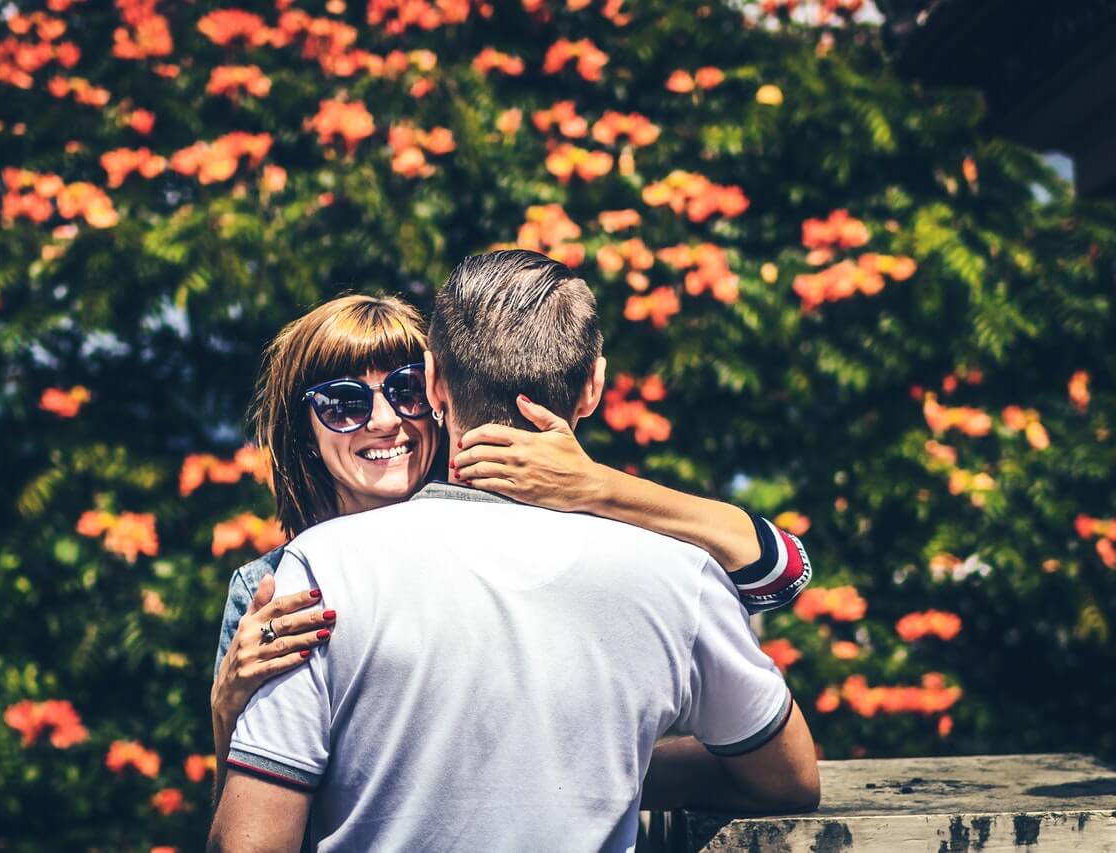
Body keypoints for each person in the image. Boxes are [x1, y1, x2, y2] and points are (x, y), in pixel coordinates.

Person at [209, 251, 819, 852]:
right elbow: (251, 810)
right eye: (343, 403)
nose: (384, 420)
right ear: (594, 387)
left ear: (436, 385)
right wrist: (224, 716)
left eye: (405, 390)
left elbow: (782, 570)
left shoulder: (324, 569)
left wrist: (602, 487)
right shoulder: (285, 586)